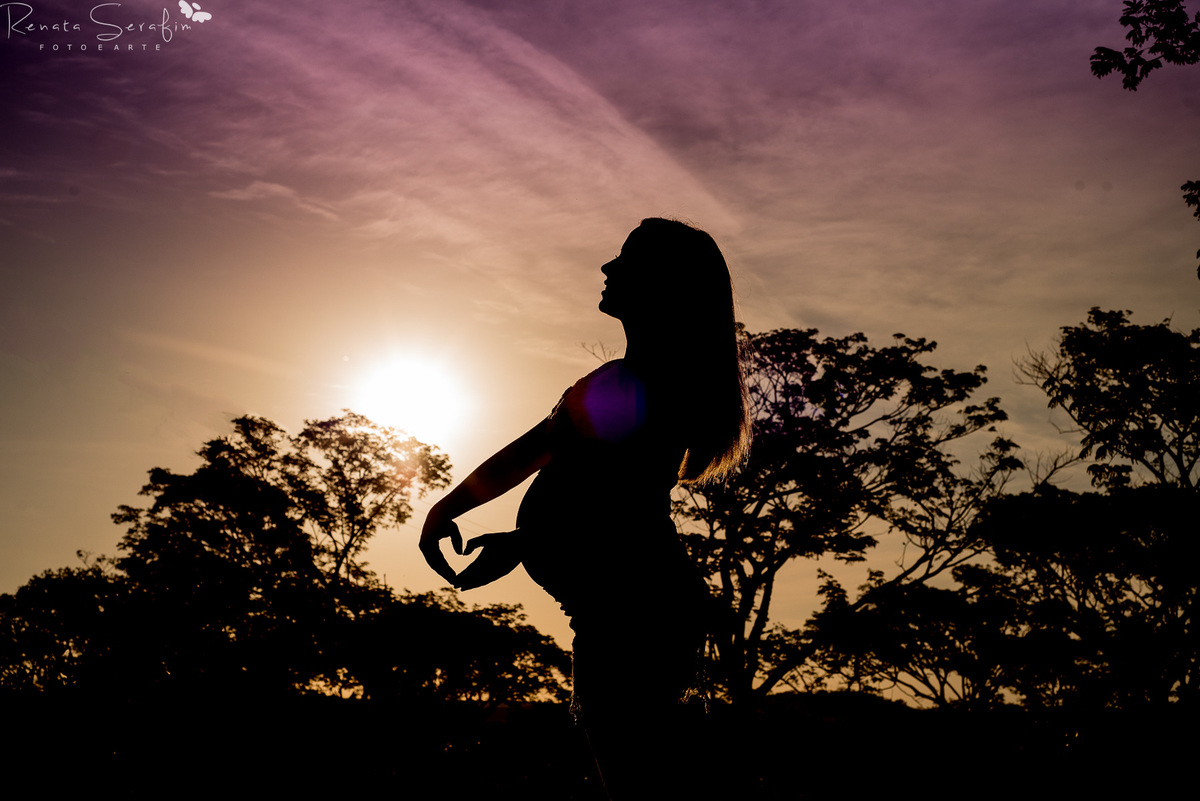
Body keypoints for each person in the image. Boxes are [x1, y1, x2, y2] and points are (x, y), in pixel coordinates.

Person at [419, 217, 751, 799]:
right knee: (638, 786)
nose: (607, 268)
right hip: (624, 613)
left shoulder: (655, 385)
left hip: (638, 616)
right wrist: (450, 507)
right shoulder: (622, 379)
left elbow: (618, 512)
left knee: (642, 795)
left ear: (662, 284)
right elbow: (539, 451)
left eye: (625, 260)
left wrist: (524, 542)